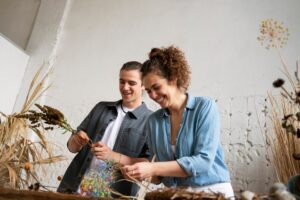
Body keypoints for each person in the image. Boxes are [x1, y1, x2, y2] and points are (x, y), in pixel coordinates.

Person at [123, 46, 234, 198]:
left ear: (173, 79)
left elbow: (203, 161)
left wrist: (152, 168)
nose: (153, 95)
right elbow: (159, 176)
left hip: (214, 192)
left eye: (156, 87)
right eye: (148, 91)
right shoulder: (153, 121)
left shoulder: (204, 107)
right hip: (178, 195)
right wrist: (140, 173)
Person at [57, 61, 152, 198]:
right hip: (74, 187)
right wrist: (77, 141)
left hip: (113, 194)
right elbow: (72, 148)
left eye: (131, 83)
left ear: (144, 85)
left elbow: (149, 166)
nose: (125, 87)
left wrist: (112, 156)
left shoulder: (151, 121)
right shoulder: (101, 108)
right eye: (122, 81)